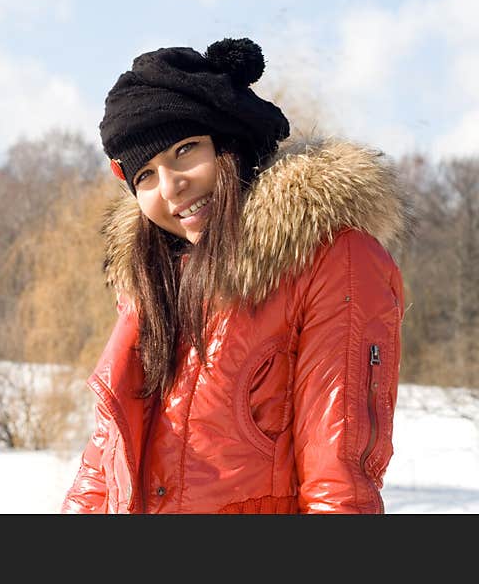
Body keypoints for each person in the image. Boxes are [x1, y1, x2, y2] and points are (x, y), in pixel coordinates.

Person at [61, 37, 410, 514]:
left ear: (231, 143)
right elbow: (103, 469)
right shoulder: (153, 281)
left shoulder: (331, 259)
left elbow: (339, 482)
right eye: (145, 174)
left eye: (185, 150)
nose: (170, 187)